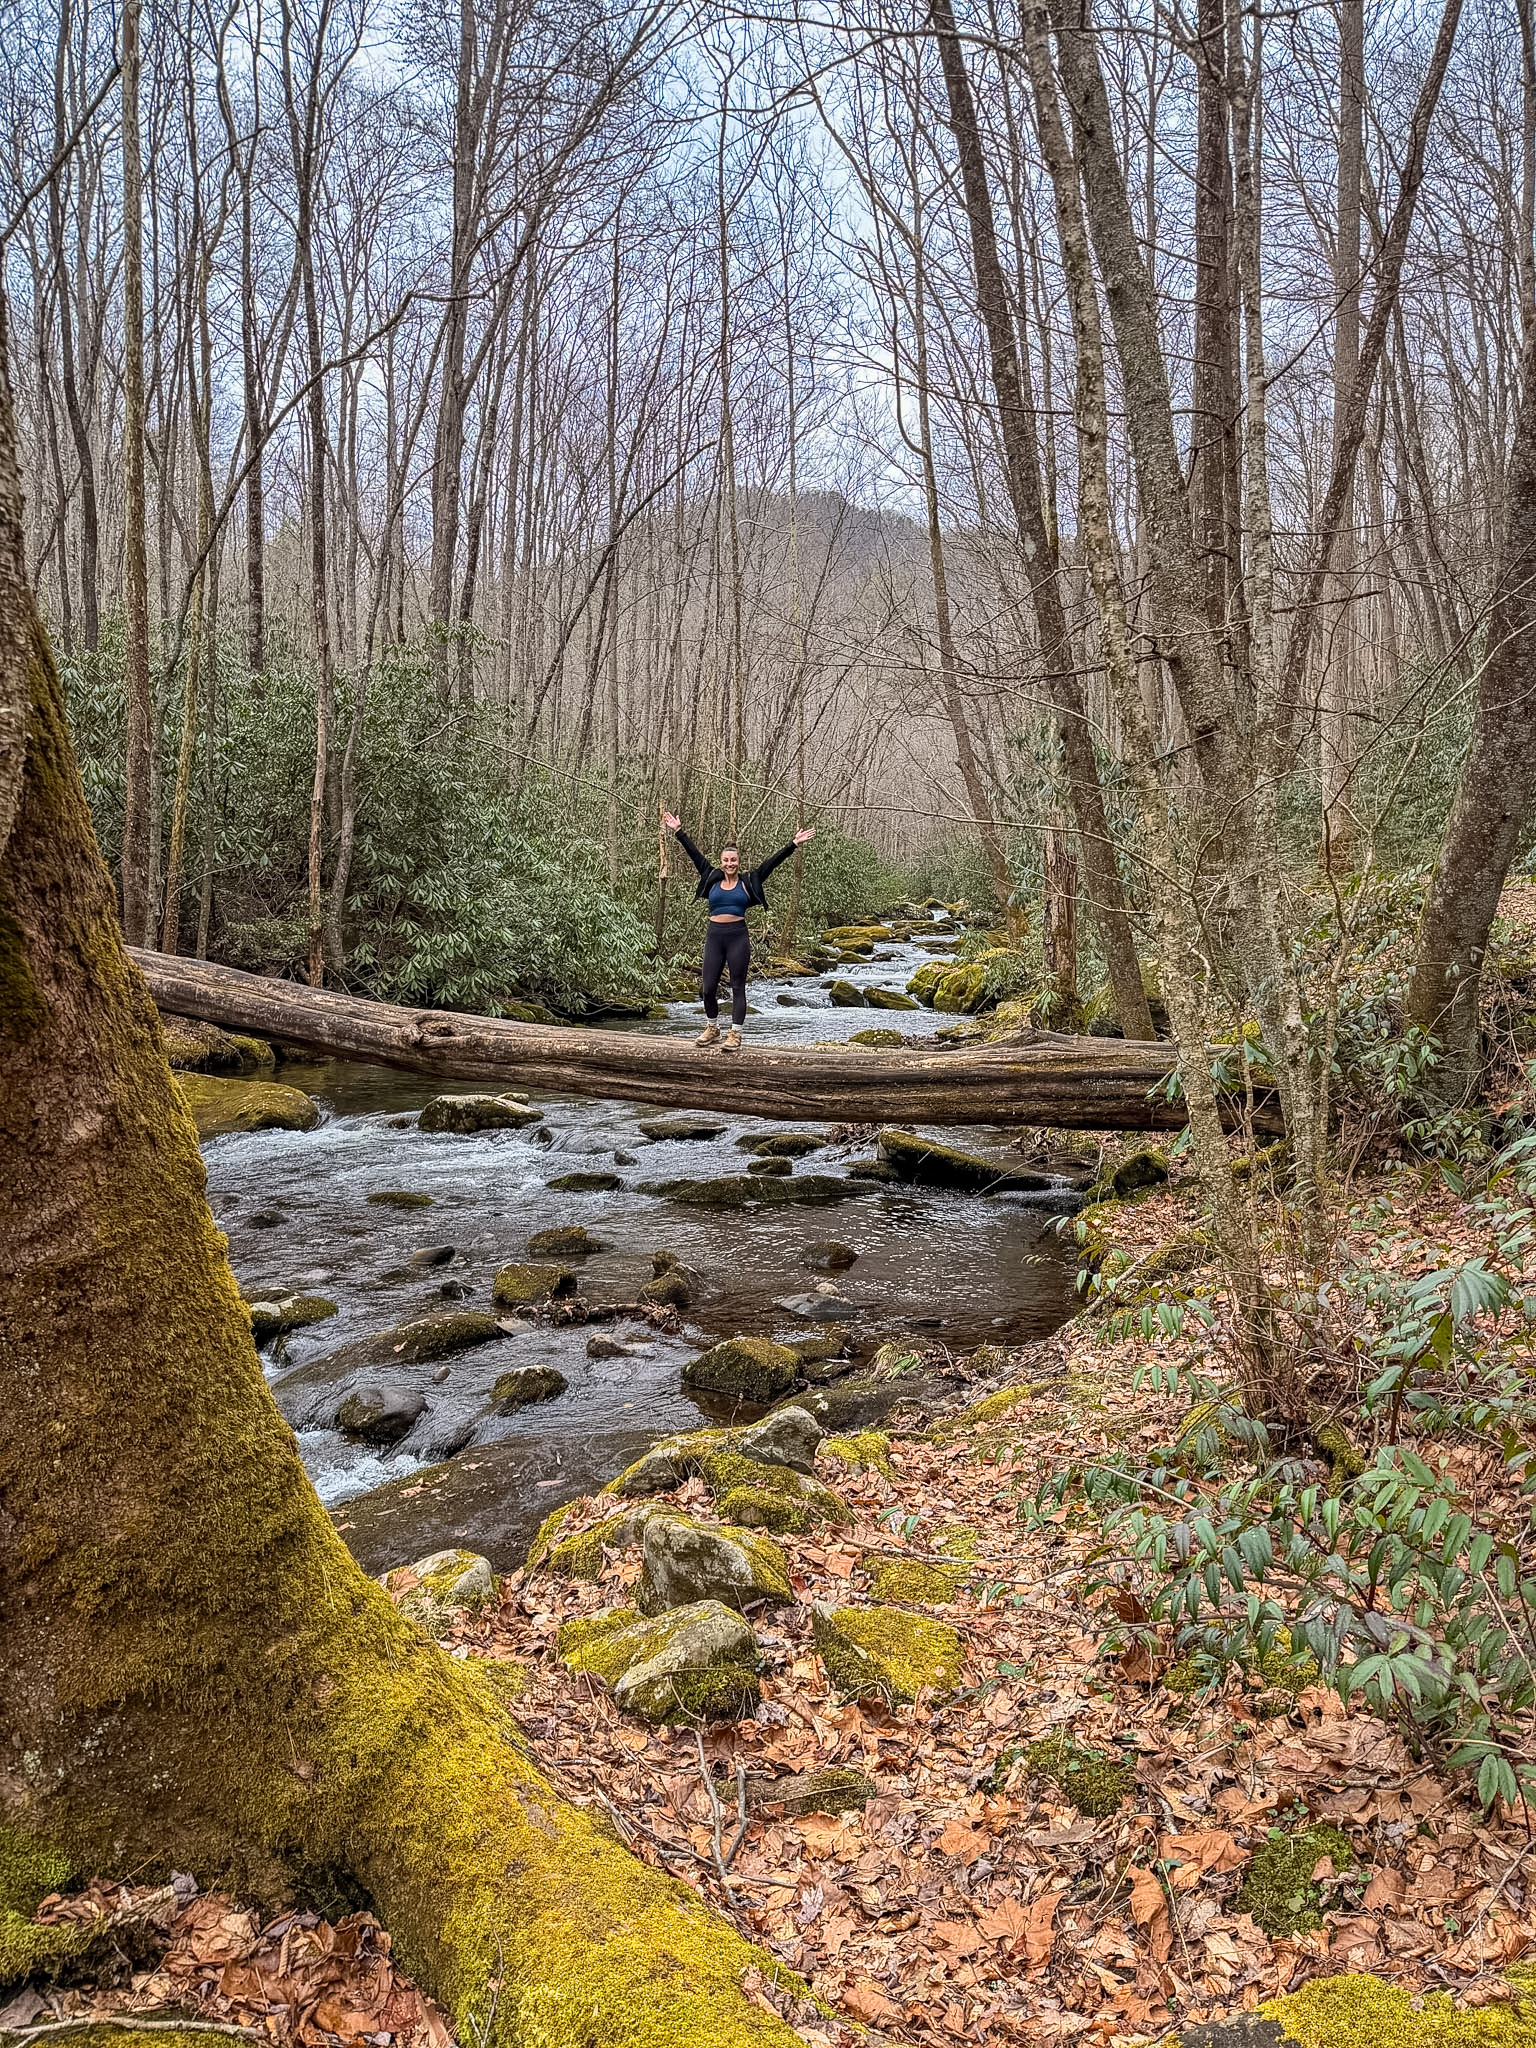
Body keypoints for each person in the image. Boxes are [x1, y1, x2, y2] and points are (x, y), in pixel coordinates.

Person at [661, 808, 815, 1051]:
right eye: (726, 860)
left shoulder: (750, 881)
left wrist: (793, 844)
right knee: (707, 988)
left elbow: (772, 863)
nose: (729, 864)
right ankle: (712, 1028)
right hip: (715, 936)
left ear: (738, 862)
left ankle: (735, 1034)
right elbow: (693, 854)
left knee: (737, 986)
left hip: (738, 937)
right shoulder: (711, 876)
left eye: (733, 860)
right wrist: (678, 831)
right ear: (721, 862)